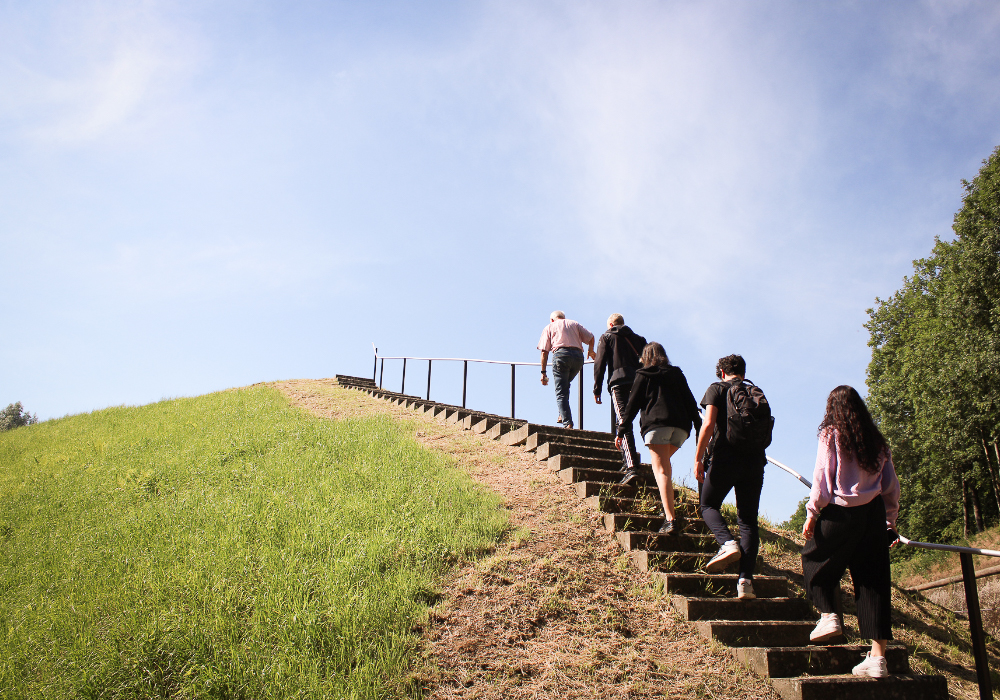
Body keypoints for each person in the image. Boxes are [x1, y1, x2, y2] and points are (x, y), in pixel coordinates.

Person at [801, 385, 900, 679]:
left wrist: (813, 512)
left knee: (814, 559)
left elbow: (822, 476)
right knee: (873, 581)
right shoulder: (875, 441)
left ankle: (829, 616)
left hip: (840, 510)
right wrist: (890, 520)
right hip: (873, 515)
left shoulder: (831, 433)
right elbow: (891, 484)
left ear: (832, 408)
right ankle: (878, 659)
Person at [692, 354, 766, 601]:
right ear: (742, 372)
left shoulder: (717, 388)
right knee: (747, 521)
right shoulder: (754, 391)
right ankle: (745, 582)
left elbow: (709, 424)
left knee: (708, 504)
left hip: (725, 458)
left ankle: (726, 543)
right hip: (755, 462)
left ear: (722, 372)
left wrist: (698, 457)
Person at [615, 342, 701, 535]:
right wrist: (698, 426)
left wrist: (621, 430)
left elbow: (632, 405)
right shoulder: (676, 373)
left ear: (645, 357)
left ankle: (670, 520)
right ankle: (670, 513)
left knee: (661, 471)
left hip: (657, 425)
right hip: (681, 429)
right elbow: (690, 400)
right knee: (664, 466)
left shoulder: (643, 375)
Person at [593, 313, 647, 479]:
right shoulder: (640, 339)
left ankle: (631, 467)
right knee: (629, 421)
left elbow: (600, 363)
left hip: (619, 383)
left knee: (623, 420)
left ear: (610, 324)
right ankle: (628, 461)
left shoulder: (607, 337)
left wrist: (597, 388)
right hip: (640, 382)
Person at [538, 311, 596, 429]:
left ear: (552, 320)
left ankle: (567, 422)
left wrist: (543, 373)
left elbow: (544, 351)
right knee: (565, 385)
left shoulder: (549, 327)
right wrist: (590, 350)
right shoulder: (573, 323)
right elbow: (591, 337)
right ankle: (562, 413)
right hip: (578, 358)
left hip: (561, 356)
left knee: (561, 391)